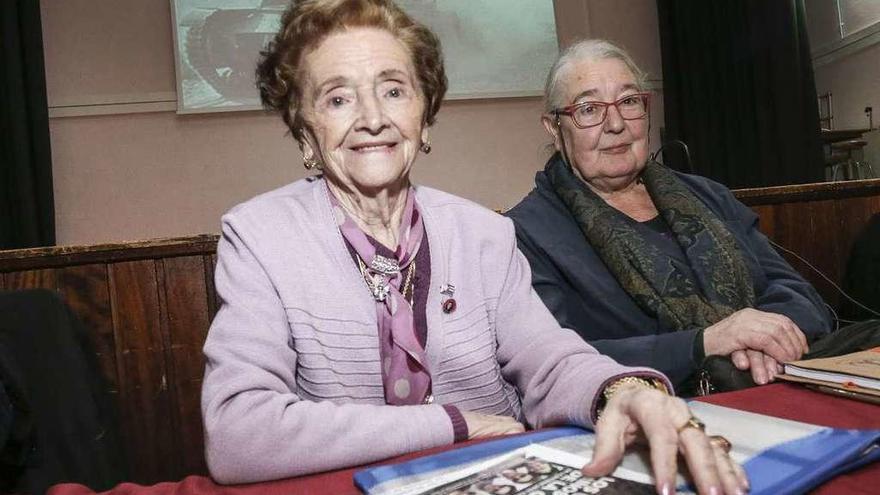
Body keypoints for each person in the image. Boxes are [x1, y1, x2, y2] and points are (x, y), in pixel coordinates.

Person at [200, 3, 747, 494]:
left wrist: (623, 389)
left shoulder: (483, 232)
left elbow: (549, 360)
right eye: (338, 98)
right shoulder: (261, 237)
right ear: (304, 132)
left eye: (394, 89)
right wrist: (454, 424)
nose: (373, 118)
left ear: (425, 112)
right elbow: (238, 433)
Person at [506, 39, 833, 394]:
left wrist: (760, 340)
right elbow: (555, 361)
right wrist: (704, 344)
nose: (615, 123)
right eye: (589, 109)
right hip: (656, 415)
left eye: (629, 101)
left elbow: (799, 294)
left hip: (776, 383)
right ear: (554, 129)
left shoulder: (708, 196)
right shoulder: (527, 234)